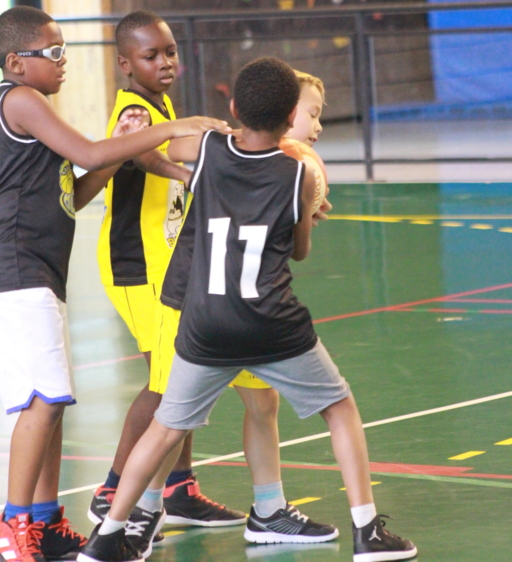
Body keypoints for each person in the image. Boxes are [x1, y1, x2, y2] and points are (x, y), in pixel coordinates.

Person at [78, 57, 417, 562]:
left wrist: (173, 132)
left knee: (167, 426)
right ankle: (367, 531)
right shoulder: (299, 174)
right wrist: (304, 212)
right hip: (270, 324)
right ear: (290, 118)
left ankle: (107, 536)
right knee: (340, 408)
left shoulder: (210, 150)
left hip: (205, 322)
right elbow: (299, 251)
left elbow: (163, 147)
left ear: (234, 108)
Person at [0, 6, 231, 562]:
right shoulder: (20, 100)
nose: (63, 62)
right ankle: (12, 528)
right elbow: (88, 152)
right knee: (41, 402)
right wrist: (169, 129)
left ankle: (45, 521)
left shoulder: (32, 106)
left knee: (53, 402)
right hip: (19, 272)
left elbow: (75, 191)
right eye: (53, 53)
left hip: (42, 273)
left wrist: (113, 160)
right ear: (16, 62)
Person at [90, 11, 245, 533]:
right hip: (135, 262)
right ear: (125, 63)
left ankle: (177, 489)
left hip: (165, 258)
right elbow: (143, 156)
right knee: (165, 380)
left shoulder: (160, 103)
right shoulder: (133, 109)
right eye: (151, 55)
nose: (165, 63)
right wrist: (189, 171)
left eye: (170, 52)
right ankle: (112, 491)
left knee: (181, 373)